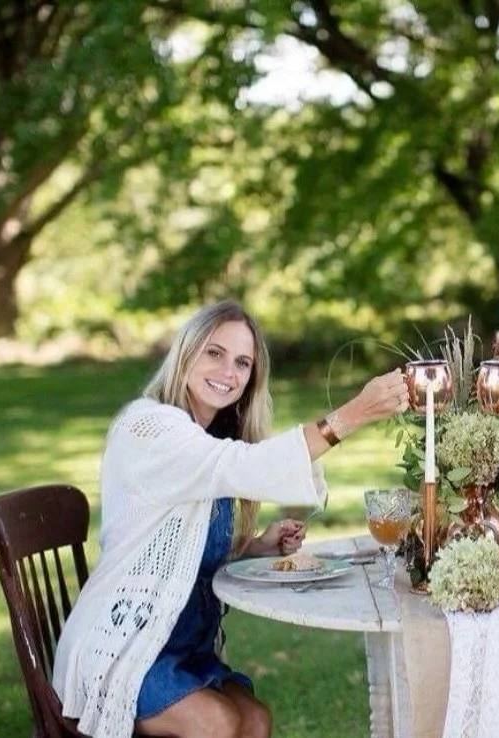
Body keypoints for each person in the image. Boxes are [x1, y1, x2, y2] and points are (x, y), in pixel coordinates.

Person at [52, 301, 409, 738]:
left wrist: (253, 547)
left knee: (256, 719)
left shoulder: (206, 439)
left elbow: (178, 546)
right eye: (214, 353)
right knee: (218, 723)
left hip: (182, 648)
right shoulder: (148, 428)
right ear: (185, 354)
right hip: (123, 651)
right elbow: (247, 466)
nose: (229, 371)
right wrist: (355, 413)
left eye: (243, 362)